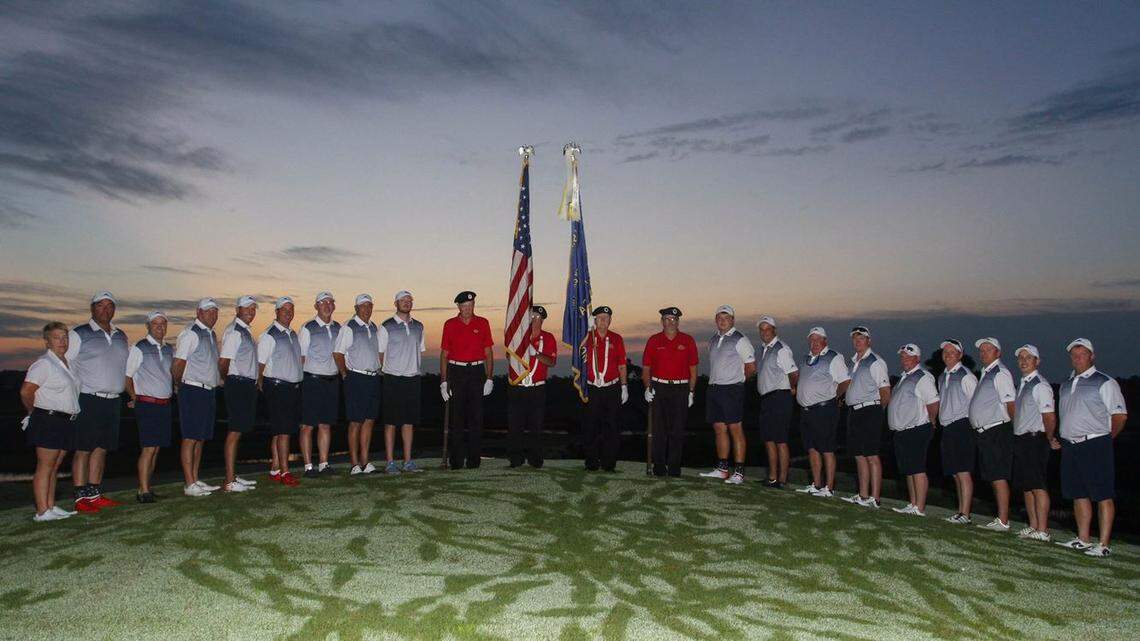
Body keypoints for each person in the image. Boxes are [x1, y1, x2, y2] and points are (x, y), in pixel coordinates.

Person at [1055, 338, 1127, 558]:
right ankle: (1083, 539)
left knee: (1102, 493)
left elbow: (1120, 415)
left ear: (1092, 356)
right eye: (1074, 355)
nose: (1077, 358)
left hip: (1096, 443)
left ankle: (1103, 544)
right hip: (1071, 446)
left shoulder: (1104, 382)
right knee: (1078, 493)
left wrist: (1106, 439)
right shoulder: (1067, 384)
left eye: (1082, 354)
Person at [67, 291, 129, 512]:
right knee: (83, 448)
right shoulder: (79, 334)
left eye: (110, 306)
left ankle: (94, 493)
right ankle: (80, 496)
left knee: (102, 448)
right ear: (92, 308)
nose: (106, 310)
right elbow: (68, 365)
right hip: (88, 398)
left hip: (112, 401)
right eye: (101, 306)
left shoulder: (121, 335)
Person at [20, 322, 80, 522]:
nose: (62, 341)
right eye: (57, 337)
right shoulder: (44, 363)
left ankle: (51, 506)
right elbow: (26, 391)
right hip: (48, 419)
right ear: (47, 341)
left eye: (65, 337)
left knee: (55, 466)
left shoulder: (65, 363)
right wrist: (33, 413)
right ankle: (41, 511)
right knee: (45, 466)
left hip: (65, 420)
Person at [698, 305, 755, 484]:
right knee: (719, 429)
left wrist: (738, 382)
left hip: (732, 389)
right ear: (716, 319)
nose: (722, 321)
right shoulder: (713, 339)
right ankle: (722, 469)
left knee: (735, 429)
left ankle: (738, 472)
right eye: (719, 317)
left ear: (732, 320)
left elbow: (751, 367)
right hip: (714, 389)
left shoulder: (740, 339)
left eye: (726, 317)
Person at [439, 291, 495, 470]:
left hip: (477, 372)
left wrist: (489, 378)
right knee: (457, 419)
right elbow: (444, 355)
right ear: (458, 307)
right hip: (456, 372)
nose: (468, 309)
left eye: (471, 306)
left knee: (476, 419)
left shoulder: (483, 323)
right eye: (464, 306)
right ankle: (456, 461)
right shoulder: (449, 324)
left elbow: (488, 352)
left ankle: (473, 461)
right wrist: (444, 381)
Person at [173, 298, 222, 497]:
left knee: (200, 438)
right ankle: (189, 483)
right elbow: (178, 364)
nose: (212, 315)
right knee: (190, 437)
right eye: (208, 311)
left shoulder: (210, 334)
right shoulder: (190, 333)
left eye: (215, 311)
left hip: (207, 391)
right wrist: (179, 385)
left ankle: (195, 478)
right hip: (192, 390)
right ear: (199, 312)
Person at [794, 327, 851, 497]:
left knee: (826, 448)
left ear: (825, 341)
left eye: (819, 339)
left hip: (824, 409)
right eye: (812, 339)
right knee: (812, 448)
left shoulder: (833, 357)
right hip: (806, 411)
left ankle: (829, 487)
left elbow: (845, 381)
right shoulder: (805, 359)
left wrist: (836, 398)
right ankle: (816, 484)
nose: (815, 343)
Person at [642, 307, 698, 477]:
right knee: (659, 430)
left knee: (677, 431)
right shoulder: (654, 340)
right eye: (666, 319)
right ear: (662, 321)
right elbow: (646, 368)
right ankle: (659, 467)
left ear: (678, 322)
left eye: (673, 319)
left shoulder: (688, 340)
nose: (670, 322)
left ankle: (674, 468)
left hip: (680, 389)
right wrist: (647, 387)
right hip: (659, 387)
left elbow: (693, 369)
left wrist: (691, 391)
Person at [968, 337, 1016, 531]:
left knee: (999, 475)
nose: (983, 353)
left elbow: (1010, 404)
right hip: (986, 432)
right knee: (993, 476)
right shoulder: (986, 373)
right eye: (982, 350)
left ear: (998, 353)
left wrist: (1015, 429)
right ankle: (1000, 518)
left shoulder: (1001, 373)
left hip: (997, 430)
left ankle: (1003, 520)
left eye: (988, 350)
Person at [124, 311, 173, 503]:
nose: (160, 327)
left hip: (164, 404)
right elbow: (127, 378)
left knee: (156, 449)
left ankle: (146, 487)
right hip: (147, 404)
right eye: (155, 324)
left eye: (163, 324)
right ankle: (143, 491)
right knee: (148, 448)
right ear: (148, 326)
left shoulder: (169, 349)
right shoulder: (139, 347)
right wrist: (135, 398)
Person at [887, 344, 939, 517]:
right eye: (902, 356)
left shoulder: (922, 376)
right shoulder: (904, 377)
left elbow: (932, 402)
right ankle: (913, 503)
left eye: (909, 356)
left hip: (917, 429)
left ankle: (920, 507)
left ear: (917, 358)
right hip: (902, 431)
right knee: (909, 469)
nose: (905, 359)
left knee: (917, 469)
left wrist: (931, 422)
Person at [841, 326, 891, 508]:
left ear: (868, 340)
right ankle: (863, 495)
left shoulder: (875, 362)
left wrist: (878, 414)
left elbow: (885, 391)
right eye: (855, 338)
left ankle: (875, 498)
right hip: (854, 412)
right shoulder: (854, 362)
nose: (857, 341)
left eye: (861, 338)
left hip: (871, 411)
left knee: (871, 455)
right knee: (859, 455)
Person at [378, 290, 426, 473]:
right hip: (393, 379)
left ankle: (408, 462)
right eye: (402, 300)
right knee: (391, 422)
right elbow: (380, 354)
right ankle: (390, 462)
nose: (406, 303)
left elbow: (419, 350)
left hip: (412, 379)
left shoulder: (419, 326)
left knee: (408, 422)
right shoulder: (386, 326)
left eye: (409, 300)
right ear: (395, 303)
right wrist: (391, 371)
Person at [1011, 345, 1056, 542]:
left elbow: (1049, 417)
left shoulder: (1040, 385)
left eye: (1028, 357)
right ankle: (1033, 525)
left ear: (1037, 361)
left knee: (1038, 485)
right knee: (1027, 486)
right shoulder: (1022, 384)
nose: (1023, 360)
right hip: (1022, 440)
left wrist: (1047, 438)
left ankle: (1043, 529)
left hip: (1035, 439)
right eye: (1021, 357)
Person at [333, 294, 381, 475]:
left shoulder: (373, 327)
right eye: (363, 306)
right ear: (356, 308)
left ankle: (365, 462)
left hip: (373, 378)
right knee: (355, 422)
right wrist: (345, 374)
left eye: (369, 306)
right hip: (356, 378)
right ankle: (354, 464)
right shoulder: (349, 327)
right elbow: (338, 353)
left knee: (369, 421)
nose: (366, 309)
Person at [258, 296, 303, 486]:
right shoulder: (269, 334)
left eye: (291, 309)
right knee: (283, 431)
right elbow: (259, 366)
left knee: (279, 431)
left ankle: (275, 468)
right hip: (277, 387)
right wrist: (264, 389)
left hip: (290, 388)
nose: (288, 313)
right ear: (276, 312)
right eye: (284, 309)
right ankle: (285, 472)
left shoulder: (292, 333)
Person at [506, 305, 557, 469]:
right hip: (518, 387)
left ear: (542, 321)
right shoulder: (518, 336)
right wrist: (521, 348)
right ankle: (515, 459)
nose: (534, 320)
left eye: (537, 318)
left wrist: (536, 353)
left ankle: (535, 460)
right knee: (515, 425)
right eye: (532, 317)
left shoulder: (548, 338)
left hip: (537, 388)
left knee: (536, 425)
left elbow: (552, 362)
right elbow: (508, 355)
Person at [218, 295, 260, 492]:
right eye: (246, 308)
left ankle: (232, 476)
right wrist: (231, 382)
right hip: (237, 384)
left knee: (239, 431)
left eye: (253, 309)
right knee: (234, 432)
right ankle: (229, 481)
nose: (250, 312)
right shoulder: (234, 332)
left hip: (245, 385)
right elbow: (224, 363)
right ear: (237, 310)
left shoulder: (244, 331)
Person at [299, 291, 341, 478]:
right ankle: (309, 467)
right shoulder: (308, 328)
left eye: (330, 302)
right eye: (323, 302)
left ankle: (324, 464)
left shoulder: (339, 328)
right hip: (312, 381)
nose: (327, 305)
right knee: (308, 426)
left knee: (326, 425)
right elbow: (300, 358)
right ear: (316, 306)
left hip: (331, 381)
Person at [581, 306, 628, 472]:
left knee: (612, 427)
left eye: (606, 318)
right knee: (590, 427)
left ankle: (609, 463)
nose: (603, 320)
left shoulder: (617, 338)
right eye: (599, 317)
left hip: (611, 388)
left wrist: (624, 387)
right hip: (592, 388)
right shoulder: (586, 338)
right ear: (594, 320)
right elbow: (576, 358)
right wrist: (584, 330)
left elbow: (622, 364)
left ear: (610, 320)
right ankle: (591, 463)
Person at [937, 339, 978, 524]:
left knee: (963, 471)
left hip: (962, 426)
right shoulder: (943, 375)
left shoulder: (965, 375)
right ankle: (960, 511)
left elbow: (975, 403)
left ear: (960, 354)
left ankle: (965, 513)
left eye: (952, 352)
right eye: (945, 351)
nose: (947, 354)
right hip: (948, 427)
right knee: (955, 472)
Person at [755, 316, 798, 488]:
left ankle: (782, 480)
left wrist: (792, 389)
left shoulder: (781, 349)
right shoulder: (765, 349)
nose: (764, 332)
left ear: (774, 330)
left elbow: (793, 373)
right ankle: (772, 477)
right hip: (767, 399)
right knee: (768, 439)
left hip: (780, 398)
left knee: (780, 440)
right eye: (762, 329)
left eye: (768, 329)